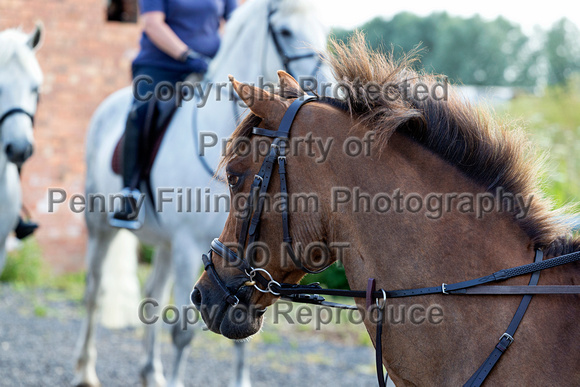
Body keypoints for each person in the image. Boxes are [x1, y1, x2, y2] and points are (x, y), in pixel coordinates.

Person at [111, 0, 237, 228]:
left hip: (210, 65)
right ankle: (130, 193)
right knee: (142, 110)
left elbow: (235, 22)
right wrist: (187, 55)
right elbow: (152, 24)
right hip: (161, 66)